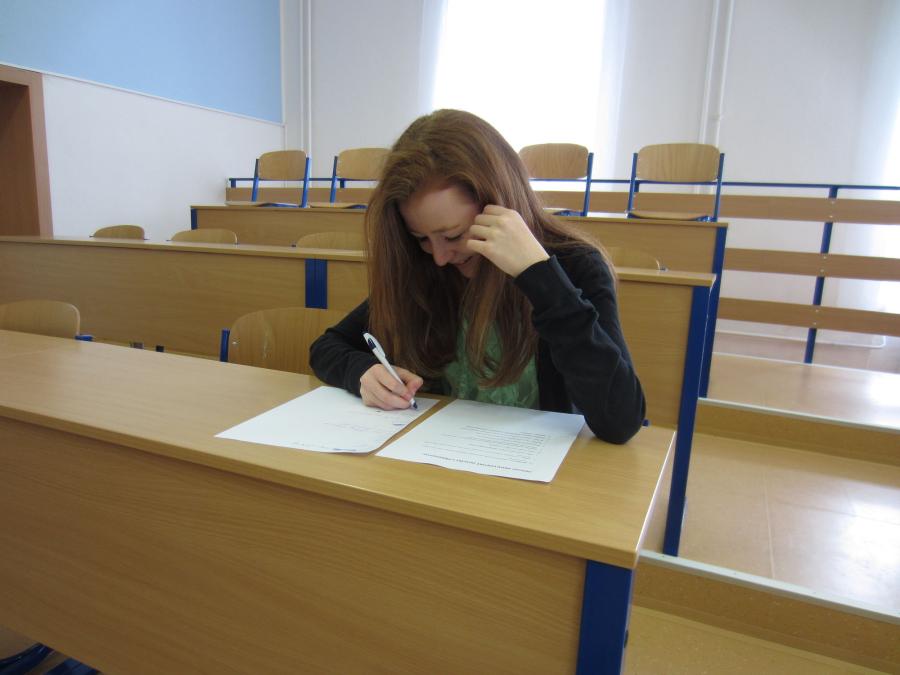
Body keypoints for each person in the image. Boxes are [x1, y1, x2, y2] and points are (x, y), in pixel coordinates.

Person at [310, 109, 645, 444]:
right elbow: (327, 347)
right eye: (422, 238)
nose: (440, 257)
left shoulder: (576, 267)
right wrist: (362, 373)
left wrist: (539, 276)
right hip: (438, 454)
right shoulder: (426, 268)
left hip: (541, 465)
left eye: (454, 235)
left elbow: (621, 421)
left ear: (500, 206)